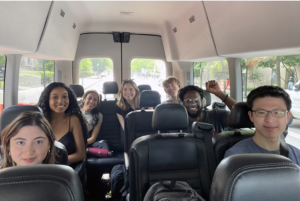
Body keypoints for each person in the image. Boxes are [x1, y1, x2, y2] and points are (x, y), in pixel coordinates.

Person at [224, 85, 300, 166]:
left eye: (278, 112)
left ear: (287, 117)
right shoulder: (235, 157)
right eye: (261, 112)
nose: (270, 119)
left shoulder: (297, 155)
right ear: (251, 116)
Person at [38, 82, 87, 166]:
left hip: (65, 171)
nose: (60, 101)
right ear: (47, 100)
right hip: (41, 170)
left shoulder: (73, 120)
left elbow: (81, 154)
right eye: (55, 97)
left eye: (64, 97)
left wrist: (54, 164)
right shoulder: (39, 122)